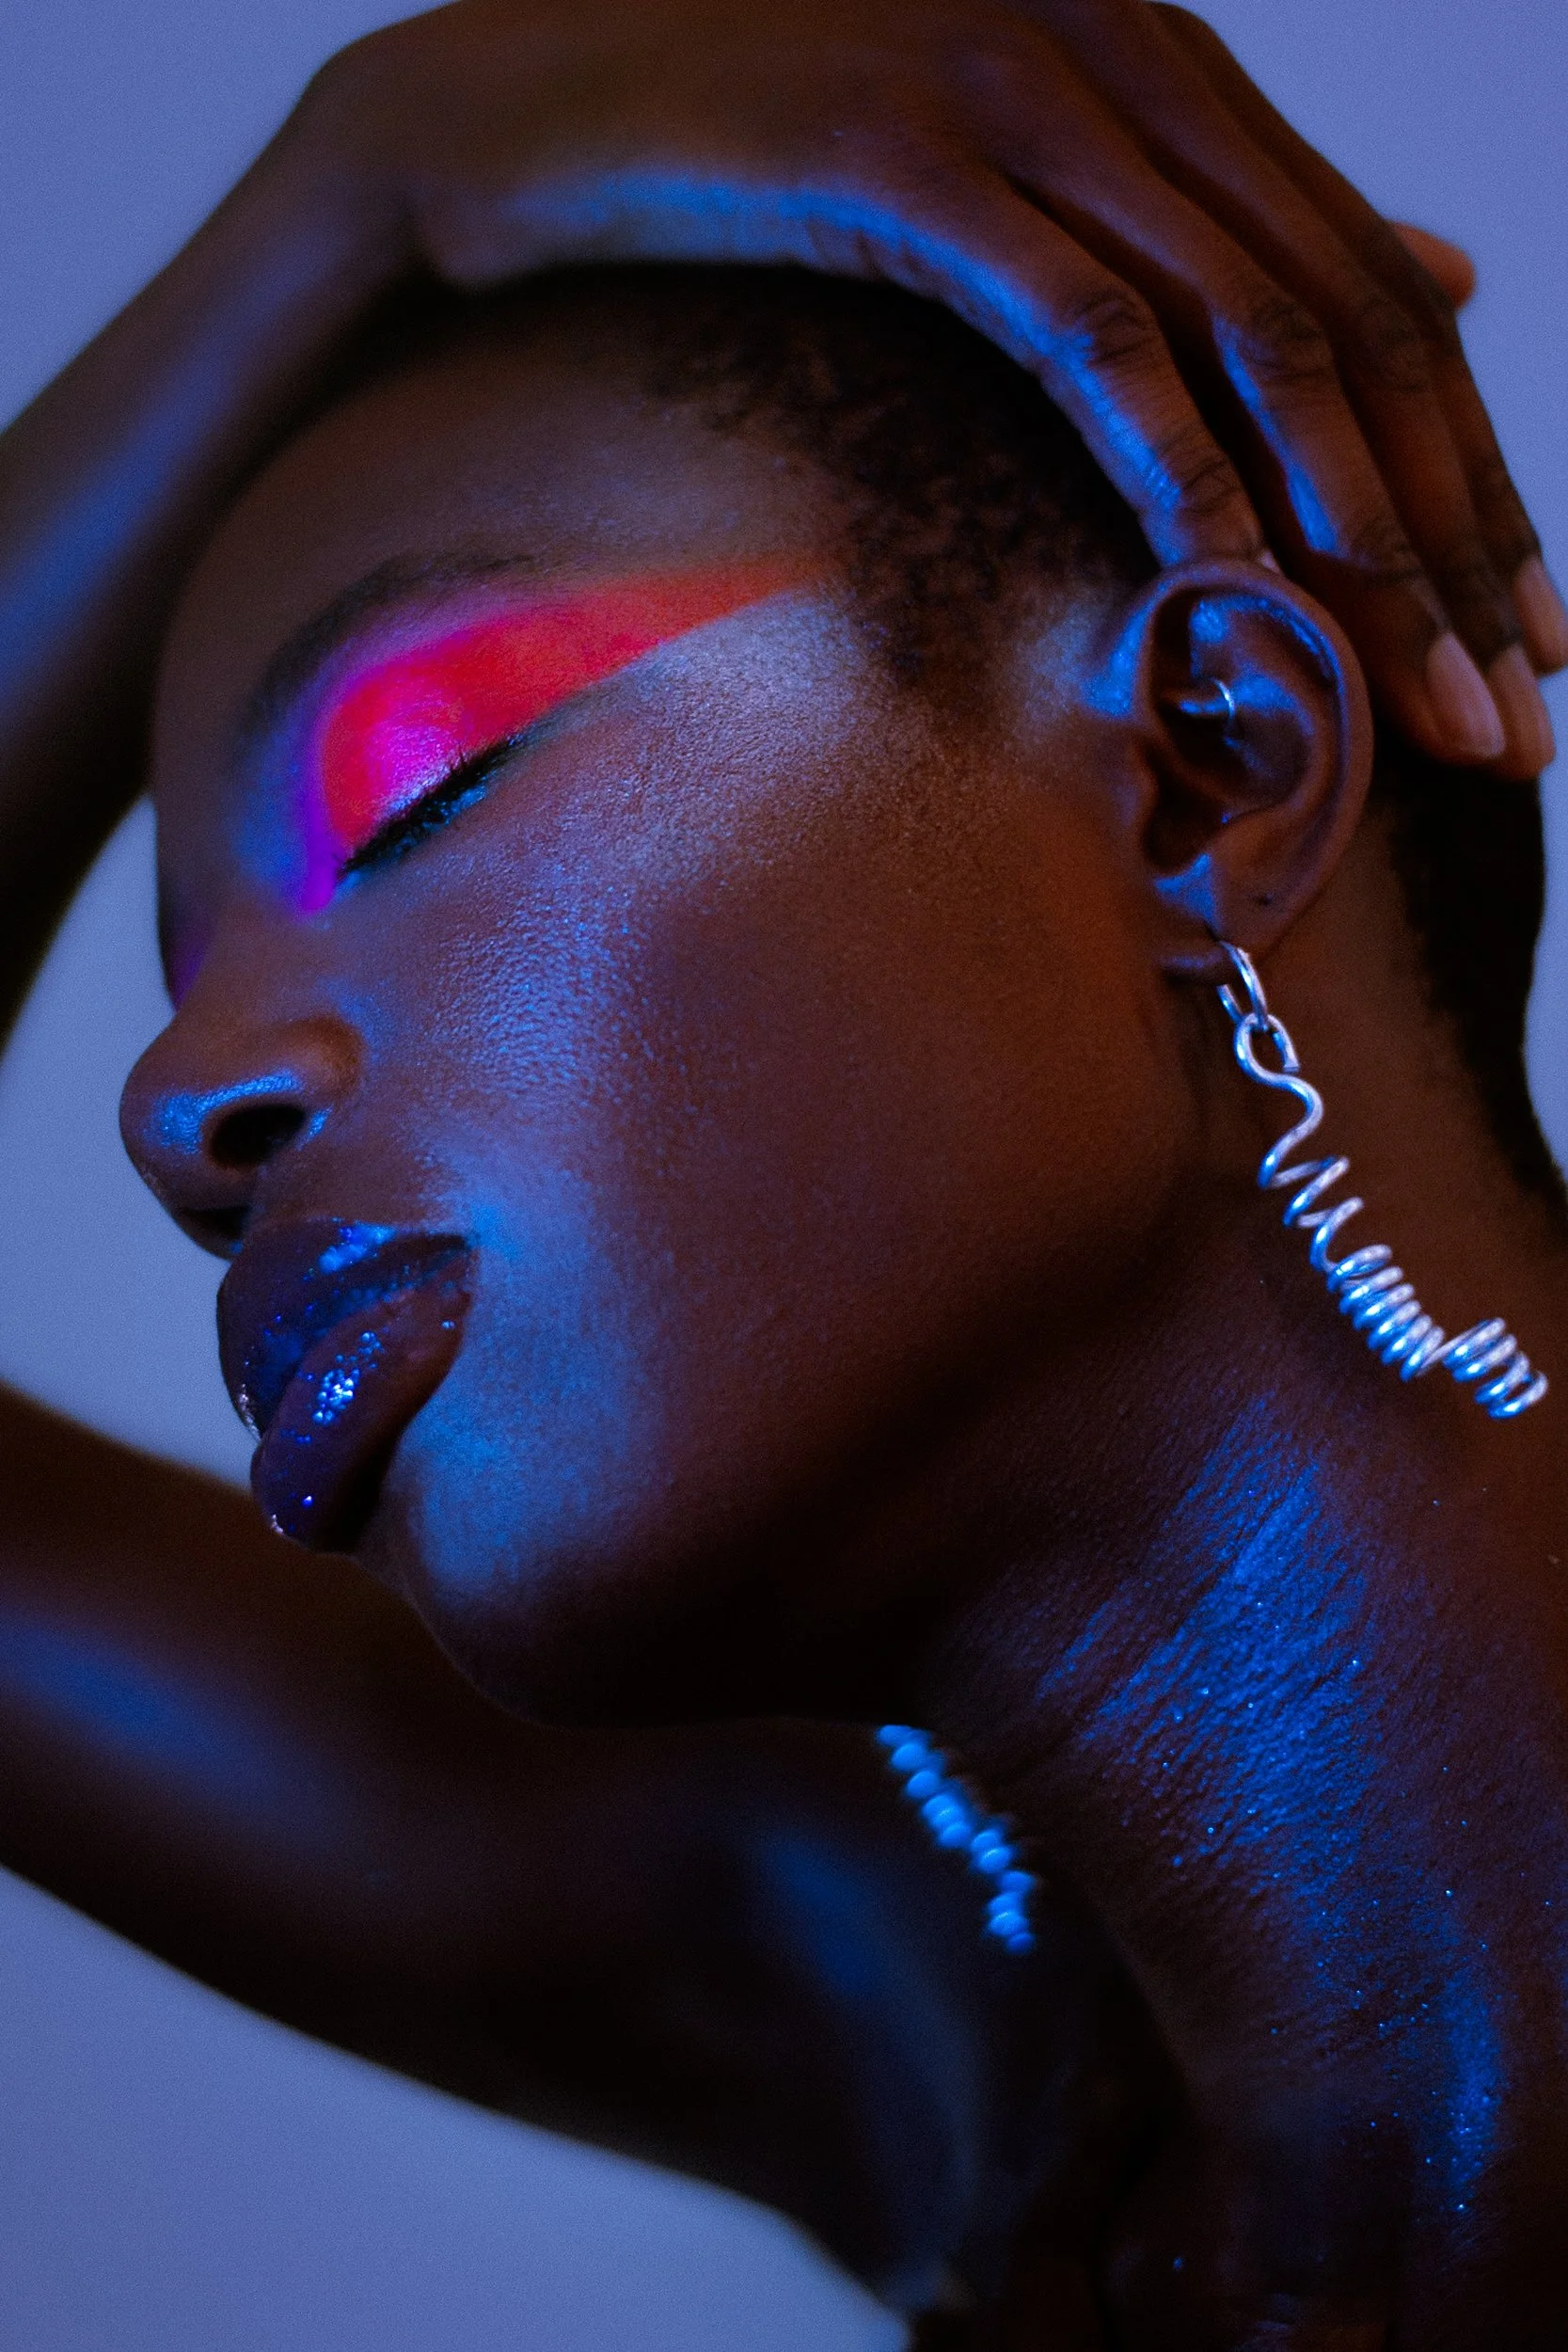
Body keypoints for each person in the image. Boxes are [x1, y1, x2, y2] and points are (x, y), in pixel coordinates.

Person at [2, 5, 1564, 2344]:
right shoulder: (973, 2070)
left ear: (1207, 768)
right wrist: (353, 174)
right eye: (185, 976)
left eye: (413, 786)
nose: (178, 1110)